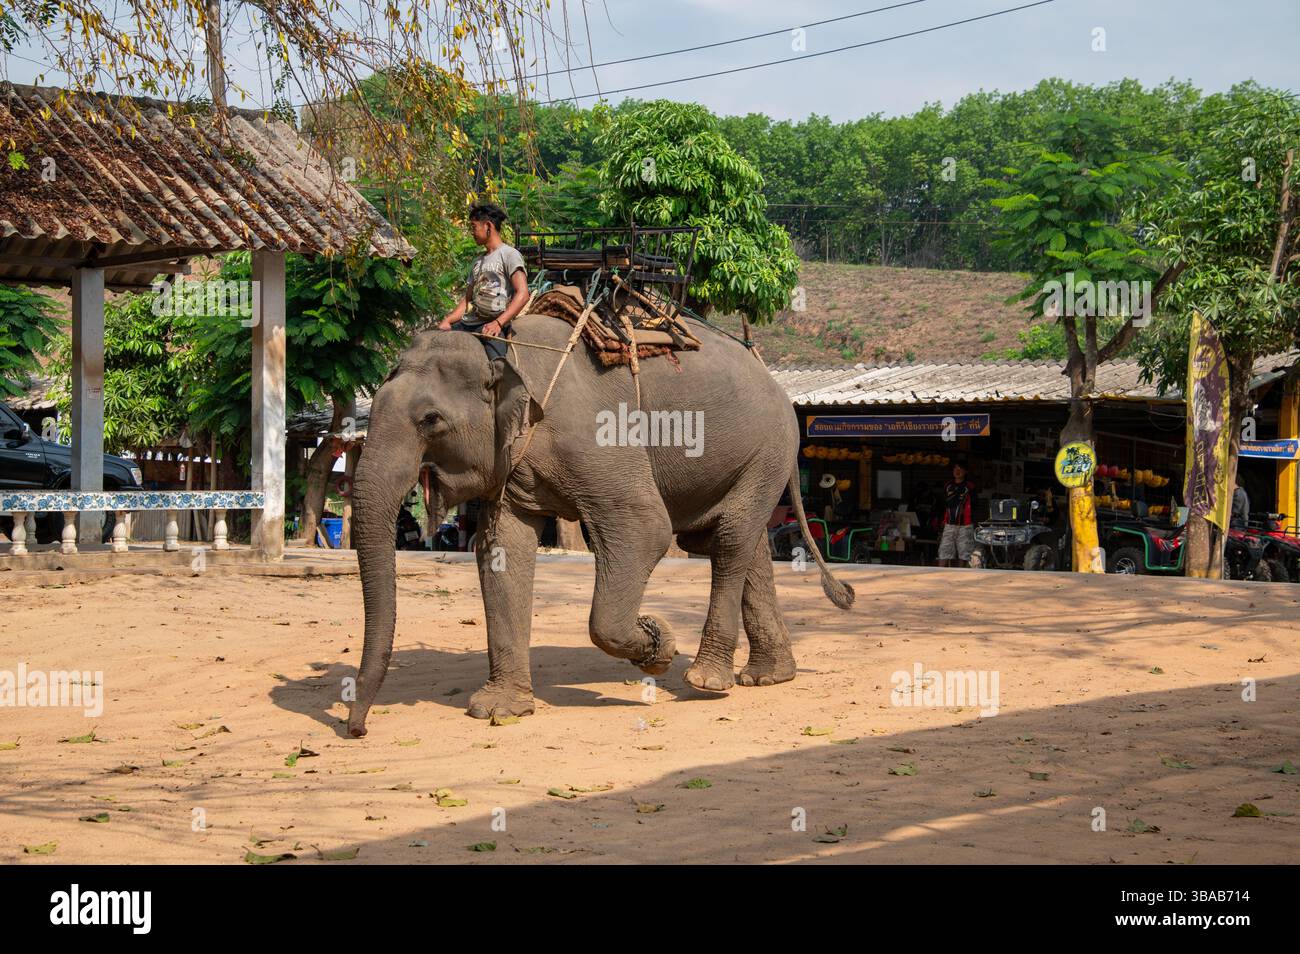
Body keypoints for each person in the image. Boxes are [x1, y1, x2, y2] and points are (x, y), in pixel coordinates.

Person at [438, 202, 530, 361]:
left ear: (488, 226)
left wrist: (498, 324)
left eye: (474, 227)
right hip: (468, 323)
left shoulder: (509, 255)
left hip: (491, 325)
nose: (472, 232)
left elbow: (523, 294)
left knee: (498, 366)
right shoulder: (477, 262)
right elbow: (467, 300)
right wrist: (448, 320)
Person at [937, 459, 977, 567]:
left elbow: (974, 505)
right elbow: (943, 504)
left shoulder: (970, 487)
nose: (957, 471)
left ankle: (961, 577)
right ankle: (939, 575)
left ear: (966, 472)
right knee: (944, 551)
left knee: (964, 553)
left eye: (960, 469)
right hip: (949, 524)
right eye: (955, 468)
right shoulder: (947, 486)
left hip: (965, 525)